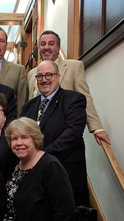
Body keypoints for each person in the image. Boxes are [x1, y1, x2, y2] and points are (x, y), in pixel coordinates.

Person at [3, 117, 76, 221]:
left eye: (24, 137)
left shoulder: (50, 166)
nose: (19, 143)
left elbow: (64, 213)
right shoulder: (16, 167)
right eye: (14, 139)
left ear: (35, 139)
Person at [27, 30, 110, 145]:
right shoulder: (32, 74)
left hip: (64, 138)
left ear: (58, 47)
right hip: (37, 139)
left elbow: (85, 98)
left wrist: (97, 129)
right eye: (43, 44)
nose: (46, 47)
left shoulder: (74, 67)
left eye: (51, 44)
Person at [21, 60, 88, 204]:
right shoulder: (28, 107)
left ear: (58, 77)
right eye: (40, 76)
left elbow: (73, 133)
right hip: (35, 177)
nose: (44, 80)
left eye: (49, 75)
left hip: (65, 173)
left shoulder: (74, 99)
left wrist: (42, 156)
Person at [0, 26, 27, 115]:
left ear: (6, 45)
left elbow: (21, 103)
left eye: (2, 41)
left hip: (8, 125)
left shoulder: (18, 70)